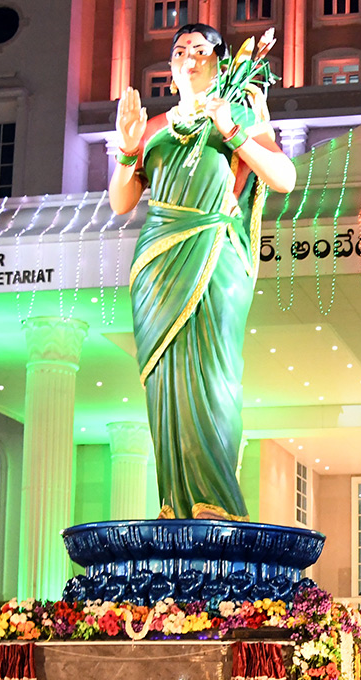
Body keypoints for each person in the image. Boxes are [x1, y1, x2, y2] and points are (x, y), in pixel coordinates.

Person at [107, 24, 295, 521]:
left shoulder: (239, 107)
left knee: (214, 375)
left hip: (216, 252)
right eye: (178, 50)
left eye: (199, 49)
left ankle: (218, 504)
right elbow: (122, 202)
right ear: (169, 69)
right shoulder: (155, 127)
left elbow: (283, 178)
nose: (188, 56)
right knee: (163, 381)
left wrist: (230, 128)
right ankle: (174, 502)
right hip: (158, 263)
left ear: (220, 61)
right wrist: (128, 147)